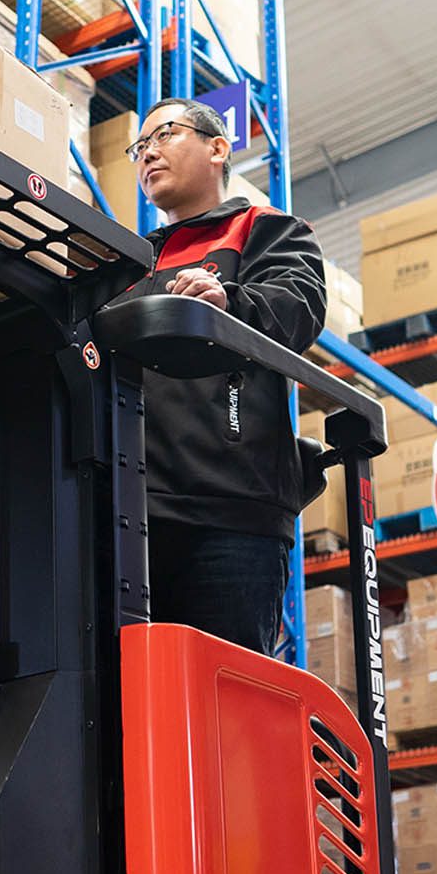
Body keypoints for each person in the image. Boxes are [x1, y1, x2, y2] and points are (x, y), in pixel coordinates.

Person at [122, 97, 327, 655]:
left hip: (229, 513)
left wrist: (229, 302)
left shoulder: (264, 231)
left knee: (224, 706)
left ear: (217, 148)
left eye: (164, 134)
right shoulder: (127, 263)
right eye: (139, 147)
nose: (148, 153)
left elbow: (299, 305)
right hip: (125, 512)